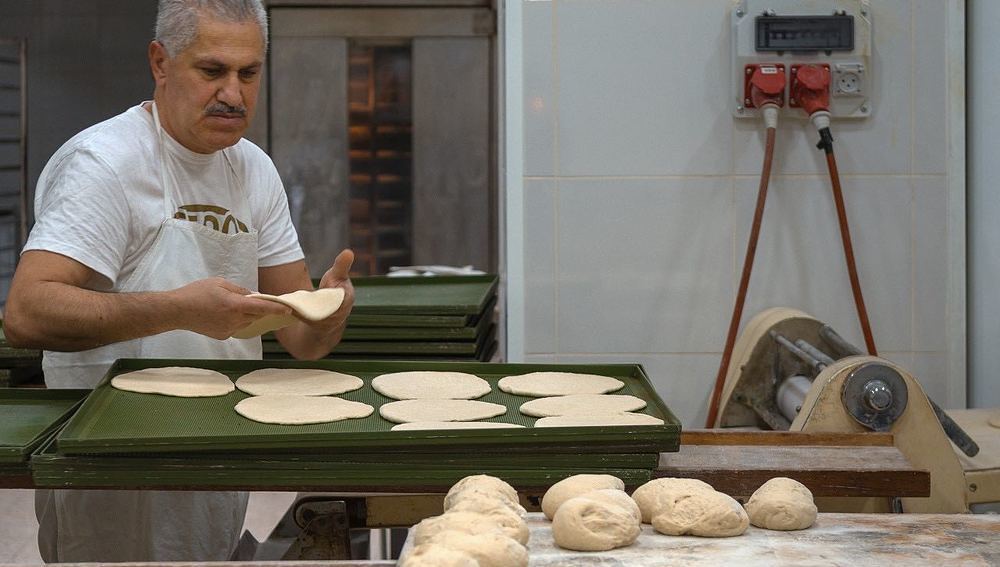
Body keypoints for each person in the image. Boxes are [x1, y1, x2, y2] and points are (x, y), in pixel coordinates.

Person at [3, 0, 354, 562]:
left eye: (249, 72)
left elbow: (303, 340)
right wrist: (179, 309)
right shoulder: (106, 163)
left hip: (215, 452)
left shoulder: (253, 169)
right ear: (160, 63)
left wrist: (328, 312)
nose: (234, 94)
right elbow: (27, 313)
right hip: (111, 465)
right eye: (212, 71)